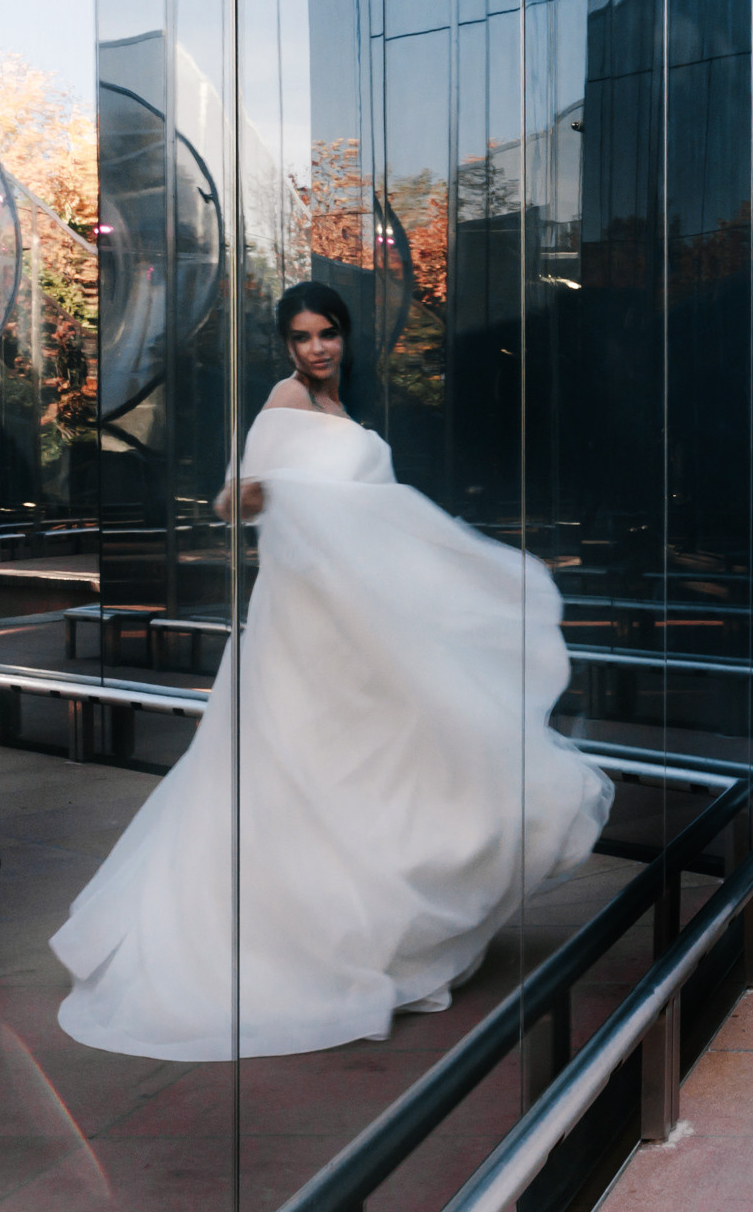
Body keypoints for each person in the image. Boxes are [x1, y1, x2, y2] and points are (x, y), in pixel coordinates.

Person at [51, 282, 613, 1061]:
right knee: (307, 771)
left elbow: (379, 526)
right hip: (305, 622)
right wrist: (265, 495)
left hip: (358, 620)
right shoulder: (283, 400)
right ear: (287, 345)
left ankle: (385, 936)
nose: (315, 349)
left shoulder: (348, 412)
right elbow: (227, 502)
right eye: (301, 337)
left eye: (326, 335)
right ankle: (310, 941)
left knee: (387, 762)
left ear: (345, 337)